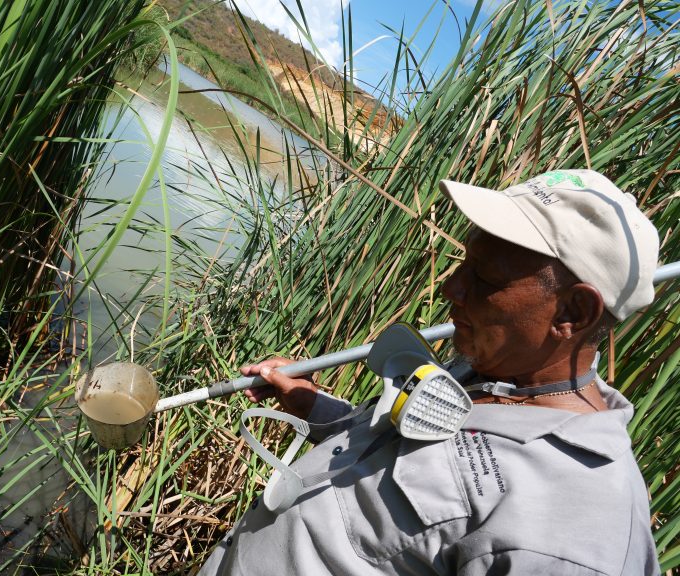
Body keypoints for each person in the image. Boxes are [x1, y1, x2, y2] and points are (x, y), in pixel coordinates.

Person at [197, 170, 661, 575]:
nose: (450, 287)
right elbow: (391, 461)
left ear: (573, 313)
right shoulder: (493, 370)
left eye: (485, 278)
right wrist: (310, 404)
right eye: (464, 264)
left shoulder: (577, 532)